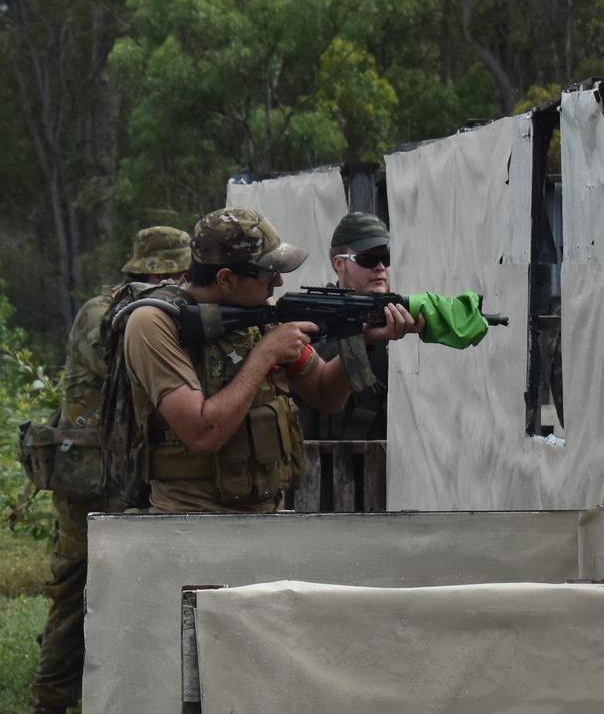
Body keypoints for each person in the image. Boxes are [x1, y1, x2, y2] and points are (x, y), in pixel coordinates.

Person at [121, 207, 420, 515]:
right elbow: (202, 433)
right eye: (268, 271)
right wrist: (265, 354)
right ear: (226, 278)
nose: (277, 282)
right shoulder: (154, 323)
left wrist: (363, 338)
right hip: (189, 521)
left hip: (266, 514)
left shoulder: (260, 315)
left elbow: (324, 393)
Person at [25, 226, 192, 714]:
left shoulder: (144, 311)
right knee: (75, 589)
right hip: (90, 475)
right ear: (168, 272)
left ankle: (122, 706)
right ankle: (48, 713)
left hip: (131, 469)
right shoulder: (105, 314)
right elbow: (123, 360)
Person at [298, 211, 417, 441]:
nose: (380, 267)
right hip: (329, 460)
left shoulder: (395, 318)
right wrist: (364, 339)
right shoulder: (314, 316)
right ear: (339, 263)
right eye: (368, 258)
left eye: (385, 257)